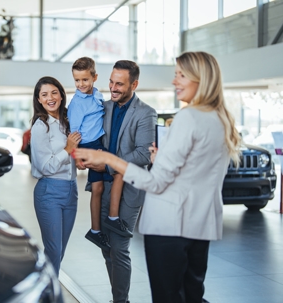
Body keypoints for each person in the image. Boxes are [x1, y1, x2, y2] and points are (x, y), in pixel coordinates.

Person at [73, 51, 242, 303]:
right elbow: (196, 172)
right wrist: (159, 159)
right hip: (200, 222)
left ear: (202, 78)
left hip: (169, 222)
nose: (174, 81)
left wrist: (108, 160)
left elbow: (156, 182)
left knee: (167, 294)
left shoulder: (186, 116)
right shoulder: (221, 118)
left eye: (181, 75)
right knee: (191, 293)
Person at [80, 60, 157, 303]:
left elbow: (144, 154)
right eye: (111, 82)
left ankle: (120, 301)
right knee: (107, 247)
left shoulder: (146, 113)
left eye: (119, 84)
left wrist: (109, 163)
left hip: (130, 189)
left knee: (120, 248)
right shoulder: (103, 107)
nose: (112, 87)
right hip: (102, 186)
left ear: (134, 84)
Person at [68, 57, 132, 252]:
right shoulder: (77, 104)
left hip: (99, 145)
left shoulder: (96, 95)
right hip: (89, 146)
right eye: (77, 80)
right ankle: (105, 224)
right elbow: (73, 133)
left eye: (85, 80)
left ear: (95, 78)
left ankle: (99, 227)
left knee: (102, 185)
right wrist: (77, 156)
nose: (81, 85)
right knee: (111, 177)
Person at [30, 76, 81, 277]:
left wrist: (79, 158)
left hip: (71, 190)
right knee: (54, 250)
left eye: (54, 92)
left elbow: (73, 155)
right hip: (49, 191)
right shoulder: (41, 126)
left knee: (60, 251)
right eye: (44, 95)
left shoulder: (69, 121)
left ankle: (45, 290)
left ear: (61, 94)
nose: (50, 98)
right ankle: (49, 295)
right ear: (39, 100)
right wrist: (68, 149)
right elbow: (45, 167)